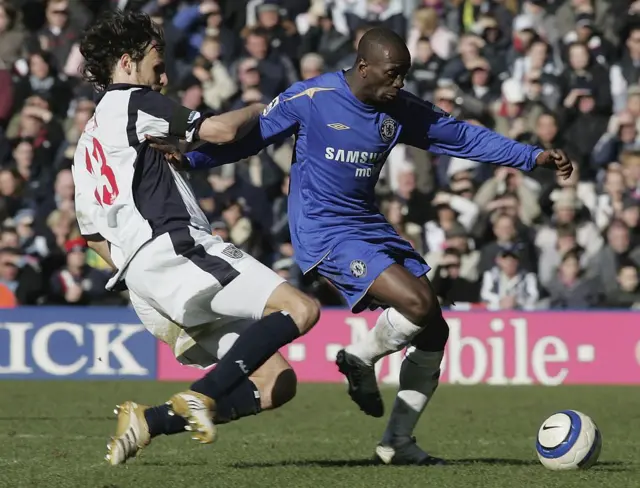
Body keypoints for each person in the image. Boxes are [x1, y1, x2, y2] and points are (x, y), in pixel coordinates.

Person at [150, 27, 572, 465]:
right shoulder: (312, 98)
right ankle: (358, 356)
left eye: (404, 75)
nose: (400, 84)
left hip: (368, 225)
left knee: (435, 331)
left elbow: (462, 136)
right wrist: (193, 159)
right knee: (419, 303)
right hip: (323, 231)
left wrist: (531, 157)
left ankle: (397, 443)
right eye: (393, 75)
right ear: (364, 66)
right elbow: (252, 139)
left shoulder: (399, 109)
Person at [72, 10, 320, 466]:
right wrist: (269, 107)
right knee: (302, 309)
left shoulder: (86, 145)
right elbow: (223, 131)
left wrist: (147, 277)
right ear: (127, 63)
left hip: (144, 282)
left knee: (276, 383)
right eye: (157, 65)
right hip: (177, 248)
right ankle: (199, 396)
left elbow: (92, 238)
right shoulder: (133, 101)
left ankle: (149, 420)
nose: (163, 78)